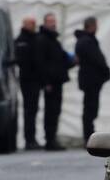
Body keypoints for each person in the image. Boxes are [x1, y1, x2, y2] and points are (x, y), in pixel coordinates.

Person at [35, 13, 73, 151]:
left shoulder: (53, 40)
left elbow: (61, 59)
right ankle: (49, 140)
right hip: (50, 82)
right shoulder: (43, 40)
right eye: (50, 21)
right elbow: (40, 63)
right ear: (45, 22)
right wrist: (46, 82)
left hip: (57, 81)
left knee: (55, 111)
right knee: (50, 111)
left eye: (54, 21)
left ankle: (52, 138)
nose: (53, 24)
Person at [74, 16, 110, 144]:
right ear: (92, 26)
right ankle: (88, 134)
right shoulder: (87, 41)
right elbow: (97, 59)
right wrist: (105, 71)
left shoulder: (84, 41)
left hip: (89, 79)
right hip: (91, 80)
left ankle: (88, 133)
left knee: (90, 108)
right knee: (90, 108)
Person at [15, 16, 41, 149]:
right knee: (29, 110)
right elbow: (24, 61)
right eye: (32, 23)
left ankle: (32, 138)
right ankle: (29, 139)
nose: (34, 26)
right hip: (28, 80)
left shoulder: (34, 38)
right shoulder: (22, 40)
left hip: (35, 80)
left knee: (33, 110)